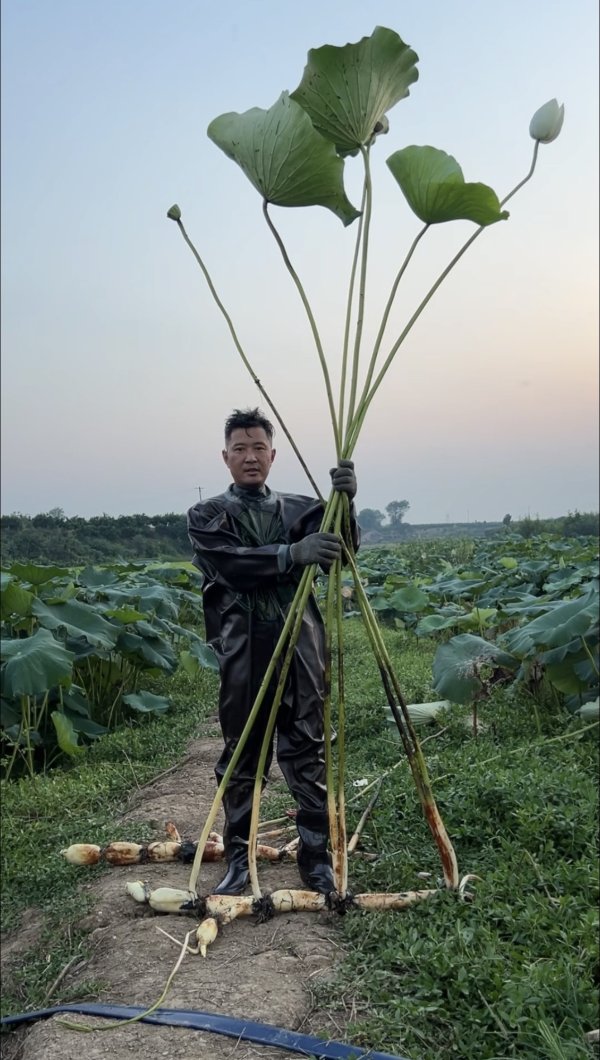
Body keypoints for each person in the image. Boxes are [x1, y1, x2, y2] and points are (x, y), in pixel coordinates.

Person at [187, 407, 359, 896]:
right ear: (225, 457)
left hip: (302, 641)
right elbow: (229, 565)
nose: (250, 457)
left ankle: (316, 857)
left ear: (273, 453)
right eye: (239, 449)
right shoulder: (206, 516)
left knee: (307, 746)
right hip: (244, 646)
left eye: (258, 447)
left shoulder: (304, 508)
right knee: (242, 751)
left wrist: (345, 502)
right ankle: (239, 860)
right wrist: (290, 554)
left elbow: (341, 555)